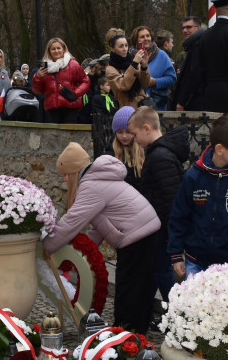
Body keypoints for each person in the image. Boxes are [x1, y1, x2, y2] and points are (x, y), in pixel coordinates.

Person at [42, 143, 160, 334]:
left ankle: (126, 339)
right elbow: (99, 224)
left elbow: (72, 222)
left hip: (137, 236)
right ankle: (134, 335)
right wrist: (85, 250)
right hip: (143, 232)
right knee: (139, 289)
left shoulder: (91, 186)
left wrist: (47, 245)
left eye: (65, 174)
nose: (64, 179)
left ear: (73, 171)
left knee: (129, 290)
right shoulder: (97, 179)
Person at [168, 114, 228, 280]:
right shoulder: (194, 177)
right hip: (195, 261)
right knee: (194, 305)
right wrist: (175, 253)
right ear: (220, 149)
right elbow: (179, 216)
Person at [129, 106, 188, 306]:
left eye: (135, 134)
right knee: (156, 270)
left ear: (147, 128)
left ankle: (177, 313)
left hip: (163, 228)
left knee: (163, 272)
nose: (134, 139)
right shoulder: (159, 153)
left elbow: (171, 198)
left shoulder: (160, 156)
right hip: (160, 226)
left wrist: (172, 235)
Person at [31, 37, 91, 123]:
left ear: (64, 49)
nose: (56, 51)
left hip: (70, 107)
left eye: (59, 48)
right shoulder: (44, 67)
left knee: (69, 135)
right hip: (52, 109)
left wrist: (75, 93)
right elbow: (37, 91)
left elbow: (86, 81)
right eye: (53, 49)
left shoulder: (73, 64)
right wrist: (37, 78)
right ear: (49, 51)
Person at [104, 28, 152, 109]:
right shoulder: (111, 69)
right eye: (121, 46)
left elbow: (145, 84)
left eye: (126, 45)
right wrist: (134, 65)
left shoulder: (133, 61)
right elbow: (123, 85)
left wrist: (144, 66)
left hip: (142, 107)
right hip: (126, 109)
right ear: (112, 49)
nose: (125, 49)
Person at [174, 17, 206, 111]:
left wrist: (182, 102)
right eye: (183, 28)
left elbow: (193, 75)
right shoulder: (192, 45)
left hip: (195, 101)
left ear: (198, 28)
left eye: (189, 27)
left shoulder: (198, 46)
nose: (185, 30)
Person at [109, 106, 144, 187]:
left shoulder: (144, 150)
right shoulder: (110, 152)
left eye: (128, 132)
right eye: (120, 132)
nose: (124, 136)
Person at [147, 29, 177, 112]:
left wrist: (155, 81)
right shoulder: (131, 55)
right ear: (166, 43)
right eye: (172, 42)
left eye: (148, 36)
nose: (173, 45)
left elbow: (172, 78)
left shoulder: (162, 56)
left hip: (157, 103)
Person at [90, 75, 119, 157]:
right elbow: (97, 111)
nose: (109, 87)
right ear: (101, 86)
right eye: (107, 85)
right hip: (101, 126)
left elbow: (115, 109)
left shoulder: (112, 98)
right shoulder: (96, 98)